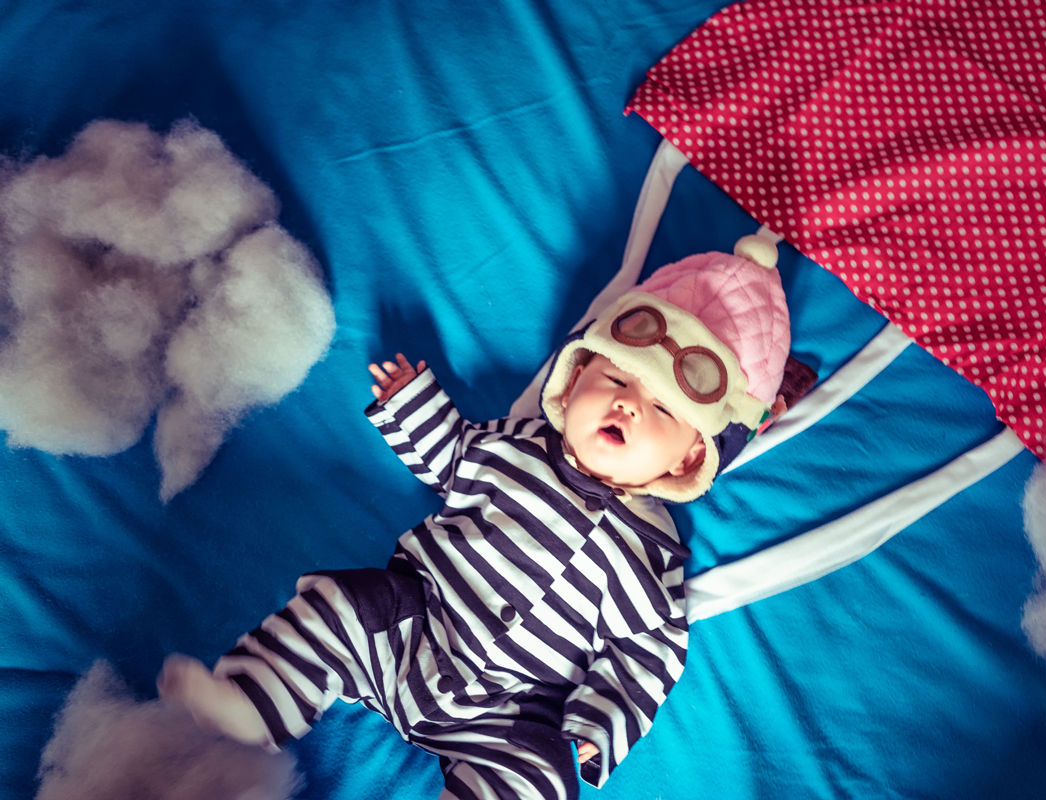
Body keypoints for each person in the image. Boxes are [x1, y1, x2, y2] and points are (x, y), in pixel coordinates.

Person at [158, 234, 793, 800]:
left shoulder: (651, 559)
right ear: (571, 386)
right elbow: (453, 456)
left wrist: (602, 721)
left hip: (510, 709)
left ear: (688, 459)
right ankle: (252, 701)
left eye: (660, 409)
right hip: (412, 626)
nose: (627, 406)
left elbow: (650, 651)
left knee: (540, 781)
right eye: (617, 379)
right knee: (337, 607)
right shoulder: (514, 451)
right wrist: (413, 406)